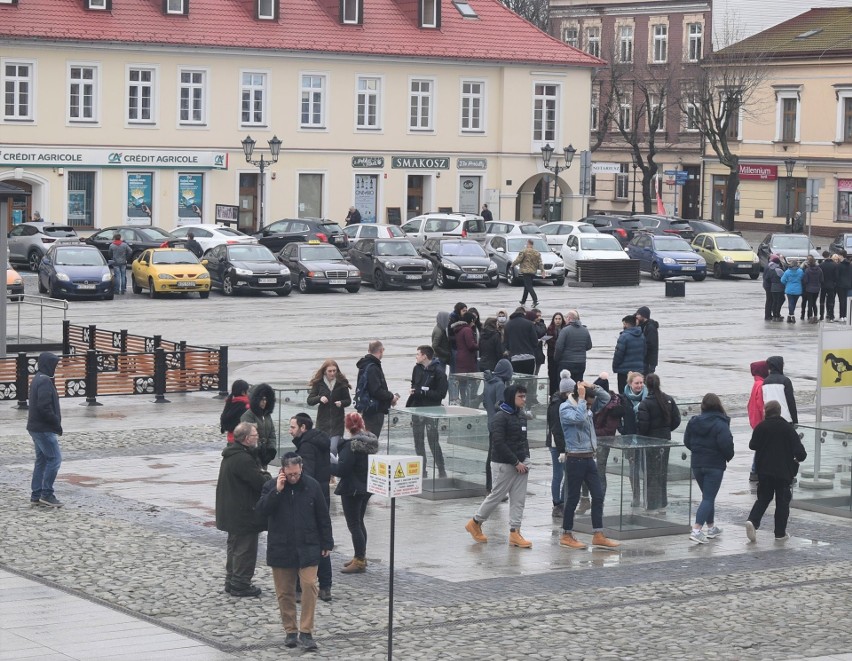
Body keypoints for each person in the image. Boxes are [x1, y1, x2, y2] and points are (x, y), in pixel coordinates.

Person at [257, 453, 333, 652]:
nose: (293, 477)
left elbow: (323, 515)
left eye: (296, 474)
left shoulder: (312, 486)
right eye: (289, 474)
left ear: (301, 469)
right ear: (282, 471)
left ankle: (306, 631)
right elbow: (262, 510)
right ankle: (290, 630)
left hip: (308, 545)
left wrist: (327, 542)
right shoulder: (271, 486)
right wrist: (277, 491)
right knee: (285, 592)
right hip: (281, 546)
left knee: (309, 585)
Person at [465, 385, 533, 548]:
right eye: (521, 396)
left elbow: (524, 440)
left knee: (518, 499)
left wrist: (526, 459)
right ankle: (475, 522)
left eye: (525, 396)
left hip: (521, 464)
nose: (524, 399)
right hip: (503, 464)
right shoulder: (500, 417)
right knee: (496, 495)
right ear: (512, 397)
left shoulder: (521, 416)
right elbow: (499, 442)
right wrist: (515, 462)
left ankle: (515, 532)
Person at [558, 378, 620, 550]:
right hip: (575, 458)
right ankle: (566, 533)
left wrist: (593, 387)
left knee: (598, 495)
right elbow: (578, 419)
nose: (590, 408)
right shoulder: (565, 408)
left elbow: (607, 399)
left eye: (591, 405)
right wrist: (583, 401)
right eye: (588, 404)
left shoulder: (587, 407)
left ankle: (598, 534)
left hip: (588, 457)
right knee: (573, 498)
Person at [215, 422, 270, 597]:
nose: (258, 438)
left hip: (233, 511)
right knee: (245, 548)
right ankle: (240, 583)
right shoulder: (243, 459)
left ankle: (232, 580)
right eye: (255, 435)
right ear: (246, 439)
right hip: (243, 512)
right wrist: (266, 474)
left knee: (235, 546)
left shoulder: (233, 455)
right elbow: (261, 482)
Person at [745, 400, 808, 543]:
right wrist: (796, 460)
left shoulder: (761, 427)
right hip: (783, 471)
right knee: (782, 502)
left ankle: (752, 521)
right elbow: (801, 453)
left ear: (766, 412)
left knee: (763, 498)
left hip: (764, 470)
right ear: (779, 412)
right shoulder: (787, 428)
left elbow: (752, 445)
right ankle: (780, 533)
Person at [289, 412, 333, 602]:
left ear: (303, 428)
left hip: (311, 499)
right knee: (322, 541)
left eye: (292, 427)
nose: (290, 431)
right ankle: (326, 586)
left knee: (306, 542)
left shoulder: (306, 446)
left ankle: (300, 588)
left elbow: (307, 477)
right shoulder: (318, 441)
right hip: (323, 495)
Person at [683, 394, 735, 544]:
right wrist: (728, 456)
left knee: (707, 496)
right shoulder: (721, 423)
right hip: (714, 464)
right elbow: (726, 444)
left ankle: (711, 528)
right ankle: (697, 529)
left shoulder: (693, 422)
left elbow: (687, 441)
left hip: (697, 463)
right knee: (708, 498)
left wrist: (697, 450)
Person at [331, 412, 378, 574]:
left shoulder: (350, 446)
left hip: (353, 489)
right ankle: (361, 557)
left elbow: (342, 470)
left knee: (354, 525)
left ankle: (359, 560)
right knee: (359, 522)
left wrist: (330, 464)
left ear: (347, 426)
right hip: (366, 486)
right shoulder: (369, 441)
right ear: (362, 424)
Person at [637, 373, 681, 514]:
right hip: (665, 440)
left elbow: (643, 426)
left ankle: (651, 505)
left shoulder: (645, 403)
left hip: (651, 442)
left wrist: (644, 436)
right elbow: (676, 419)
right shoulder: (668, 399)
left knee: (650, 473)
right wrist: (666, 430)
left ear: (647, 385)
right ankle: (662, 504)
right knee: (662, 472)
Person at [406, 345, 449, 478]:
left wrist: (423, 392)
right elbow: (414, 384)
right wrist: (415, 391)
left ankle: (441, 470)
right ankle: (422, 471)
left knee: (433, 441)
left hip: (431, 410)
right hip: (417, 409)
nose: (416, 356)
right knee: (418, 441)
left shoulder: (439, 372)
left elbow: (441, 394)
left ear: (425, 356)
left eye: (418, 354)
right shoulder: (416, 368)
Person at [27, 352, 63, 507]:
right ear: (49, 365)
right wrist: (56, 424)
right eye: (54, 364)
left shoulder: (38, 378)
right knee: (54, 459)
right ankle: (47, 494)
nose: (56, 367)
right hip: (44, 428)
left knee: (41, 460)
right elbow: (44, 407)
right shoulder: (45, 382)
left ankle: (36, 494)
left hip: (35, 427)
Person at [306, 359, 351, 454]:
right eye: (330, 371)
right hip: (322, 424)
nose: (332, 373)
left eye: (334, 371)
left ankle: (333, 467)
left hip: (337, 424)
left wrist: (341, 403)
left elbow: (348, 400)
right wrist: (319, 398)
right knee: (322, 449)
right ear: (325, 372)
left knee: (333, 449)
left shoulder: (341, 383)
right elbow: (310, 400)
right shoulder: (319, 383)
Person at [355, 340, 398, 437]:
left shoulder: (364, 365)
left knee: (366, 437)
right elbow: (376, 390)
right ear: (381, 350)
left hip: (366, 407)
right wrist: (391, 397)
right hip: (374, 409)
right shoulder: (373, 367)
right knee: (372, 440)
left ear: (368, 350)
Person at [482, 358, 513, 492]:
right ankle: (495, 489)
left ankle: (489, 486)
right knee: (496, 458)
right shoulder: (500, 384)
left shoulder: (489, 381)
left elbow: (485, 402)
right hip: (498, 424)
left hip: (490, 421)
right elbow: (500, 404)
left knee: (491, 455)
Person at [547, 370, 571, 518]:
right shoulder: (557, 406)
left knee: (567, 474)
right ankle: (557, 503)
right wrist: (562, 450)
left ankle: (563, 500)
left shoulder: (564, 402)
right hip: (557, 445)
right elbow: (557, 429)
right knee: (558, 474)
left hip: (565, 444)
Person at [620, 371, 646, 507]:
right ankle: (636, 497)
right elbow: (617, 417)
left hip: (645, 438)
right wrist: (623, 431)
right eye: (637, 383)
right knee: (633, 470)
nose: (640, 386)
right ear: (630, 384)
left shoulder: (648, 397)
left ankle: (648, 498)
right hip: (630, 440)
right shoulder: (623, 399)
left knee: (646, 469)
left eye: (641, 383)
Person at [240, 383, 277, 468]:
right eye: (262, 399)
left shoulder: (267, 415)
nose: (264, 402)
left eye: (266, 399)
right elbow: (250, 437)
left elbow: (272, 434)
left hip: (264, 456)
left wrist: (271, 450)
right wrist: (261, 451)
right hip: (253, 456)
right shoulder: (248, 416)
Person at [554, 309, 592, 382]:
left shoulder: (565, 330)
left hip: (566, 362)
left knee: (564, 385)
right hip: (581, 363)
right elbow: (589, 346)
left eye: (566, 318)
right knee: (578, 384)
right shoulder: (585, 330)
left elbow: (559, 347)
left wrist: (556, 359)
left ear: (569, 318)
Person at [747, 360, 770, 482]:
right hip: (760, 420)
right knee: (761, 446)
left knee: (760, 446)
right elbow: (761, 404)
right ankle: (755, 470)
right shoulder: (761, 384)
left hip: (755, 420)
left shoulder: (757, 383)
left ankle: (755, 470)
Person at [612, 314, 646, 395]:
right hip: (638, 369)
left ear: (627, 324)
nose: (623, 326)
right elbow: (645, 352)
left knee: (623, 393)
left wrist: (615, 367)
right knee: (637, 392)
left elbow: (618, 355)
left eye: (624, 324)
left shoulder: (624, 337)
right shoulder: (642, 336)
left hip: (624, 371)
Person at [762, 355, 797, 424]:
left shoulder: (765, 381)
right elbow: (790, 402)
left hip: (770, 419)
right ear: (779, 365)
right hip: (785, 418)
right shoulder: (785, 381)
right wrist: (795, 420)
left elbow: (765, 401)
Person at [453, 312, 479, 405]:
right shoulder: (467, 330)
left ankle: (463, 401)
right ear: (471, 320)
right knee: (471, 381)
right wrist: (479, 345)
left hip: (460, 357)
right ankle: (469, 402)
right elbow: (471, 345)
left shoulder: (459, 329)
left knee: (462, 382)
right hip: (467, 359)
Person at [503, 306, 538, 375]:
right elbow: (535, 342)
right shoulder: (529, 324)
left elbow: (506, 344)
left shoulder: (508, 325)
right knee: (529, 380)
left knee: (517, 381)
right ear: (524, 314)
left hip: (515, 358)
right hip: (529, 358)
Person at [512, 238, 544, 307]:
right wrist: (542, 271)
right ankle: (523, 301)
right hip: (533, 272)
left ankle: (535, 300)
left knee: (529, 286)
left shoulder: (524, 251)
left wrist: (512, 265)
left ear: (528, 244)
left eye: (527, 243)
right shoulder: (537, 252)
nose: (526, 245)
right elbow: (540, 262)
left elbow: (518, 260)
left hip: (526, 271)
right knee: (526, 286)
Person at [545, 311, 566, 394]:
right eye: (556, 319)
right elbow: (550, 342)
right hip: (551, 355)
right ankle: (552, 393)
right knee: (552, 375)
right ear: (553, 320)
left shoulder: (565, 329)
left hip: (562, 356)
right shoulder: (550, 329)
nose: (558, 320)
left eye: (559, 319)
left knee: (561, 375)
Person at [635, 306, 659, 375]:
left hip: (649, 361)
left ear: (644, 316)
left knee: (646, 380)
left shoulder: (650, 327)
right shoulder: (642, 326)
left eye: (638, 314)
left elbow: (651, 344)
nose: (636, 316)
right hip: (643, 360)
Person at [781, 258, 804, 323]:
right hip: (798, 289)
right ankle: (791, 315)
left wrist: (787, 283)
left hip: (789, 289)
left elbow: (782, 280)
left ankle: (791, 315)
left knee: (790, 302)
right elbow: (802, 278)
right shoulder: (800, 271)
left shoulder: (787, 272)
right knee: (794, 303)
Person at [801, 255, 822, 322]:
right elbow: (821, 279)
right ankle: (815, 316)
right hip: (817, 289)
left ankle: (810, 317)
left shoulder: (807, 270)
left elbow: (805, 281)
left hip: (809, 289)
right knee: (814, 303)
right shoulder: (819, 270)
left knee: (810, 303)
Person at [765, 255, 786, 322]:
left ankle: (773, 315)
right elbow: (784, 277)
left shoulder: (770, 268)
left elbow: (767, 278)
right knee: (779, 300)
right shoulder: (778, 270)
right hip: (778, 287)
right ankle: (776, 314)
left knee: (774, 301)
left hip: (772, 287)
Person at [819, 250, 838, 322]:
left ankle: (821, 316)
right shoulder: (834, 265)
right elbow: (836, 276)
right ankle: (831, 316)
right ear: (829, 256)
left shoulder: (821, 265)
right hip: (831, 285)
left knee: (822, 301)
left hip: (823, 285)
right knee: (831, 301)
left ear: (823, 256)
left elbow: (820, 276)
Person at [834, 252, 850, 322]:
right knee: (846, 301)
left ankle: (842, 316)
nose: (838, 257)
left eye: (839, 256)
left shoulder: (839, 265)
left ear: (841, 256)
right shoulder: (850, 265)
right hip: (848, 285)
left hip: (840, 285)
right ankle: (846, 316)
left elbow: (836, 276)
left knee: (841, 301)